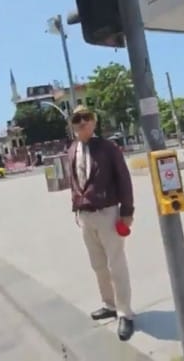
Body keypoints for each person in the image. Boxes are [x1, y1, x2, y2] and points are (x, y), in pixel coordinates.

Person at [67, 105, 136, 341]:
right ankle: (109, 304)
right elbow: (75, 181)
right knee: (98, 265)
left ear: (94, 122)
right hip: (85, 216)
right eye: (77, 119)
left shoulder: (108, 148)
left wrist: (127, 211)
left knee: (116, 264)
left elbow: (124, 179)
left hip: (107, 213)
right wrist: (76, 207)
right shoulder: (72, 149)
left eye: (86, 118)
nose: (82, 122)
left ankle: (125, 312)